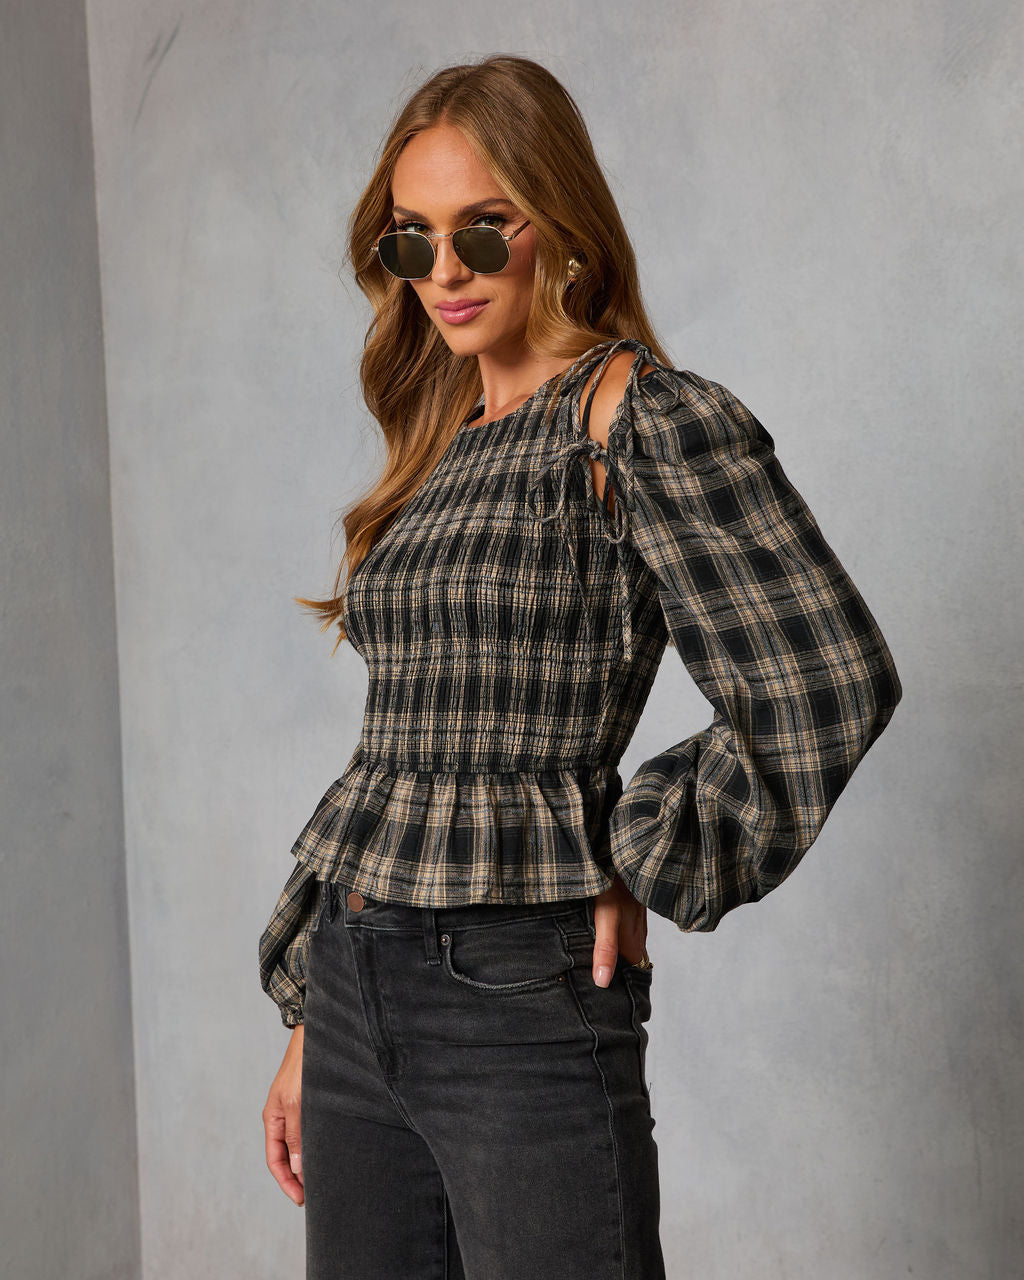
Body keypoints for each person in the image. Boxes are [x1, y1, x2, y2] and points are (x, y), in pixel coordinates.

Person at [258, 54, 902, 1279]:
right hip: (352, 976)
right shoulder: (441, 443)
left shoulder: (635, 416)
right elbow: (399, 747)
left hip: (512, 988)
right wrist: (311, 1017)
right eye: (411, 240)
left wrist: (642, 852)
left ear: (556, 221)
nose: (444, 272)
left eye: (480, 230)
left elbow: (825, 678)